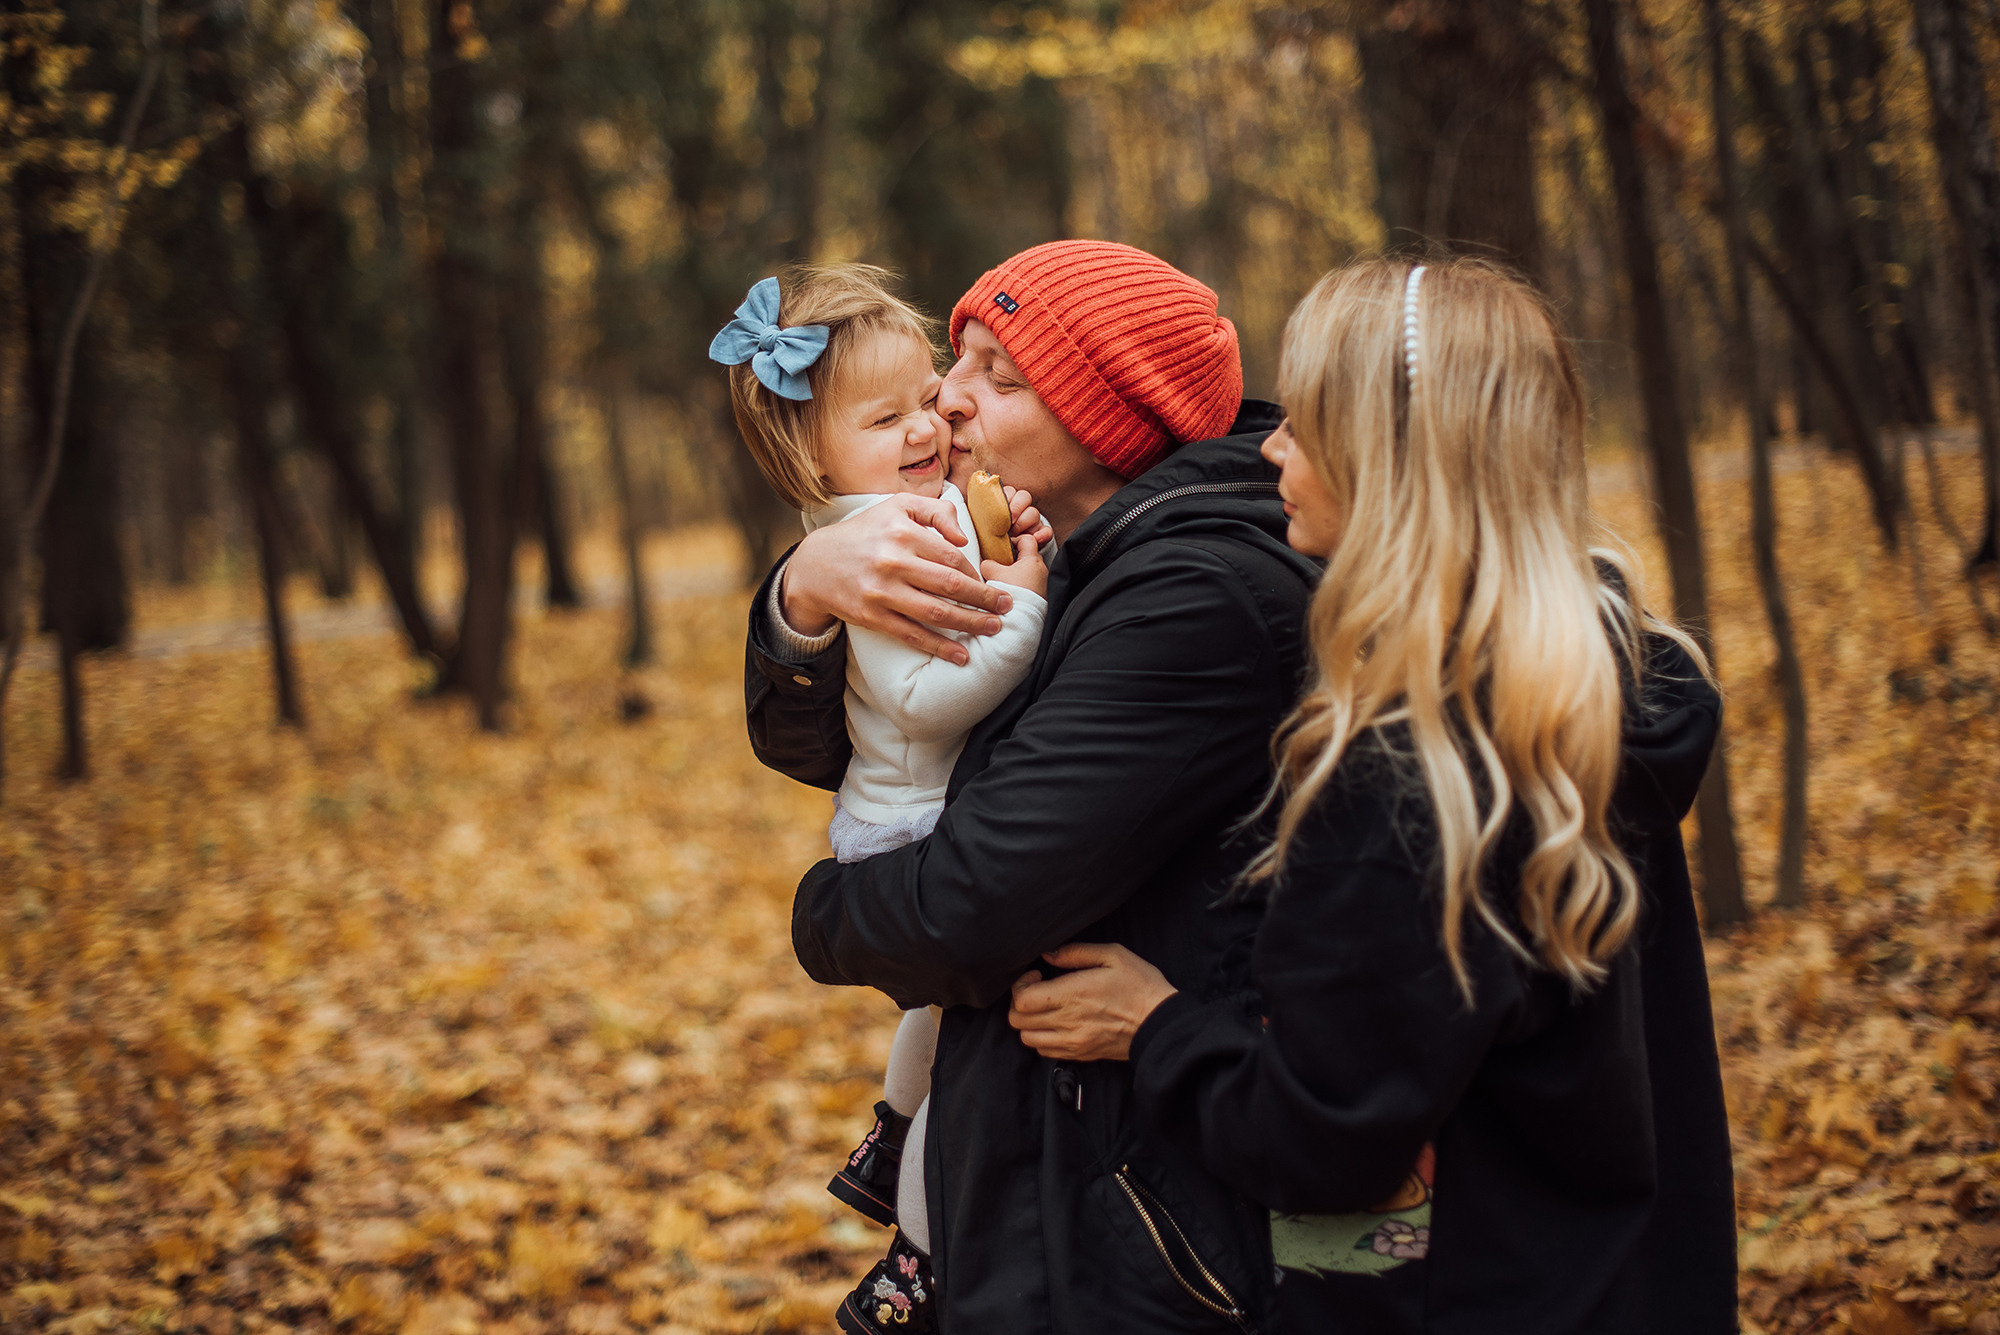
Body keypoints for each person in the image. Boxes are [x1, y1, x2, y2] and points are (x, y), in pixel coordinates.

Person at [1006, 258, 1739, 1333]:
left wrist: (1153, 1025)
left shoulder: (1409, 773)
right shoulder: (1589, 683)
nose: (1269, 450)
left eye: (1303, 424)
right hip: (1614, 1278)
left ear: (1389, 456)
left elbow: (1322, 1136)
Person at [744, 240, 1321, 1333]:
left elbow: (966, 910)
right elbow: (830, 744)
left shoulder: (1185, 593)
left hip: (1141, 1211)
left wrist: (820, 916)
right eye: (954, 363)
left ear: (1110, 423)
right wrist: (803, 594)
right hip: (1072, 1157)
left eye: (997, 379)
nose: (946, 405)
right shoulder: (1064, 546)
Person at [708, 265, 1051, 1332]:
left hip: (927, 808)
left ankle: (893, 1135)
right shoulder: (876, 545)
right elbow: (927, 697)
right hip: (910, 821)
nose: (927, 426)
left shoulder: (927, 509)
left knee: (946, 1044)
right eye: (884, 416)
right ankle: (914, 1242)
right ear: (810, 458)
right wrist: (1025, 605)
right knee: (962, 1060)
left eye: (924, 398)